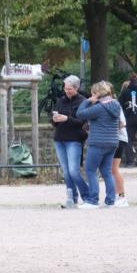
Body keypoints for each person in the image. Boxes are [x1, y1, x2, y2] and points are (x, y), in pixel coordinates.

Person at [75, 81, 122, 209]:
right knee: (107, 172)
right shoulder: (115, 104)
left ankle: (93, 200)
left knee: (90, 170)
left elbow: (80, 114)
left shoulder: (99, 108)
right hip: (112, 142)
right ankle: (110, 200)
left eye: (92, 93)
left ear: (96, 94)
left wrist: (87, 101)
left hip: (98, 142)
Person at [51, 75, 88, 209]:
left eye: (70, 89)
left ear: (77, 88)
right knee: (66, 172)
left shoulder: (83, 101)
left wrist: (67, 118)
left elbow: (82, 121)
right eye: (66, 89)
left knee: (74, 171)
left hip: (74, 139)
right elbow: (54, 120)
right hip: (60, 138)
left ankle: (87, 195)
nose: (67, 91)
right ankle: (71, 198)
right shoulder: (60, 101)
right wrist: (54, 119)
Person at [108, 83, 129, 208]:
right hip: (110, 139)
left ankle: (121, 195)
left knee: (113, 169)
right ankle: (115, 195)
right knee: (109, 169)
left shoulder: (114, 104)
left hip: (118, 138)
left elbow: (122, 123)